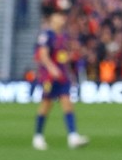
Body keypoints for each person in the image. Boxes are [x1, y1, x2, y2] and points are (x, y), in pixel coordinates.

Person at [32, 12, 89, 150]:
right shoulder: (47, 35)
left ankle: (73, 137)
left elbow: (60, 55)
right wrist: (52, 68)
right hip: (49, 77)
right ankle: (38, 136)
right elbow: (43, 55)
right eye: (58, 16)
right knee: (46, 105)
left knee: (67, 103)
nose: (62, 19)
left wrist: (69, 57)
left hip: (62, 76)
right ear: (52, 19)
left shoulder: (63, 36)